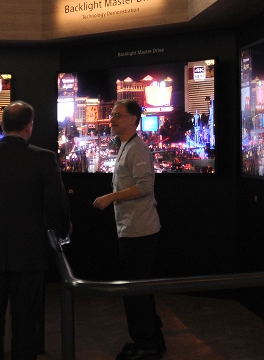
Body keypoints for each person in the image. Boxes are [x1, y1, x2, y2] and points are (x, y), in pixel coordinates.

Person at [0, 101, 70, 360]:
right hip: (29, 255)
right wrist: (63, 231)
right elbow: (56, 206)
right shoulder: (44, 158)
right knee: (26, 323)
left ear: (2, 125)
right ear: (30, 126)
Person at [93, 99, 165, 360]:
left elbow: (145, 187)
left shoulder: (137, 149)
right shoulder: (125, 145)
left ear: (133, 119)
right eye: (112, 114)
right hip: (131, 228)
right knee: (138, 290)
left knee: (135, 292)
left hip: (140, 231)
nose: (111, 118)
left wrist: (110, 197)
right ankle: (150, 340)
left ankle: (147, 346)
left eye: (117, 115)